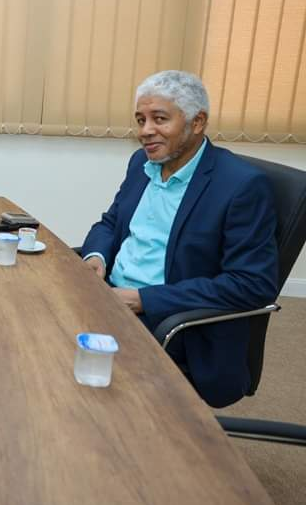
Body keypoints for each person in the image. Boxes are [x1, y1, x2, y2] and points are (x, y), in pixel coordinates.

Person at [81, 70, 278, 408]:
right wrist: (95, 258)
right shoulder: (142, 163)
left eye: (159, 119)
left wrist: (143, 299)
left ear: (197, 122)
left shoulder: (241, 186)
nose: (145, 131)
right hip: (110, 294)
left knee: (67, 362)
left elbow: (252, 283)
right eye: (140, 120)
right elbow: (111, 223)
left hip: (172, 322)